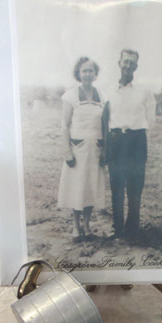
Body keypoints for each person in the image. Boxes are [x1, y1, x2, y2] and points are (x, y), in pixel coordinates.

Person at [103, 49, 156, 240]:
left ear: (136, 66)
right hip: (116, 142)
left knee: (135, 186)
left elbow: (151, 118)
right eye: (125, 61)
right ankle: (117, 229)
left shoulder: (144, 91)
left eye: (132, 63)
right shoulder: (108, 89)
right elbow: (105, 117)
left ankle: (133, 229)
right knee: (116, 186)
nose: (128, 65)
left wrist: (136, 130)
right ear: (119, 63)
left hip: (136, 142)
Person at [57, 57, 106, 243]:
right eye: (84, 71)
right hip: (77, 149)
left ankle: (87, 225)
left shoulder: (102, 95)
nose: (87, 74)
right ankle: (76, 227)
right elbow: (64, 125)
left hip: (95, 148)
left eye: (91, 71)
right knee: (77, 188)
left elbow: (104, 124)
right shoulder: (70, 96)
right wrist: (67, 151)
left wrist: (105, 150)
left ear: (95, 74)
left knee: (90, 188)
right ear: (78, 73)